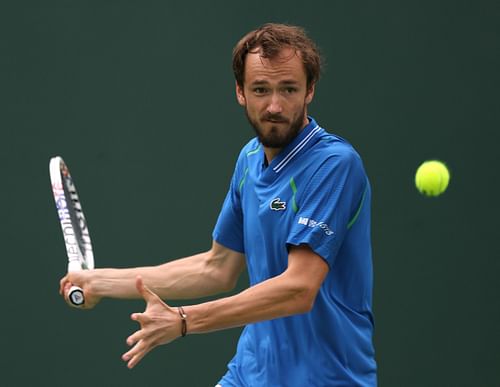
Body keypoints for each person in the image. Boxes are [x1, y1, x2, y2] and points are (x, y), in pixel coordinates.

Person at [60, 23, 377, 386]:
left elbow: (298, 289)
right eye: (261, 89)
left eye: (288, 89)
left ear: (310, 91)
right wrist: (100, 282)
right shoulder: (250, 160)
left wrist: (182, 321)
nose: (274, 105)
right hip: (250, 373)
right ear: (241, 93)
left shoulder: (334, 164)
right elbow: (217, 266)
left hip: (325, 378)